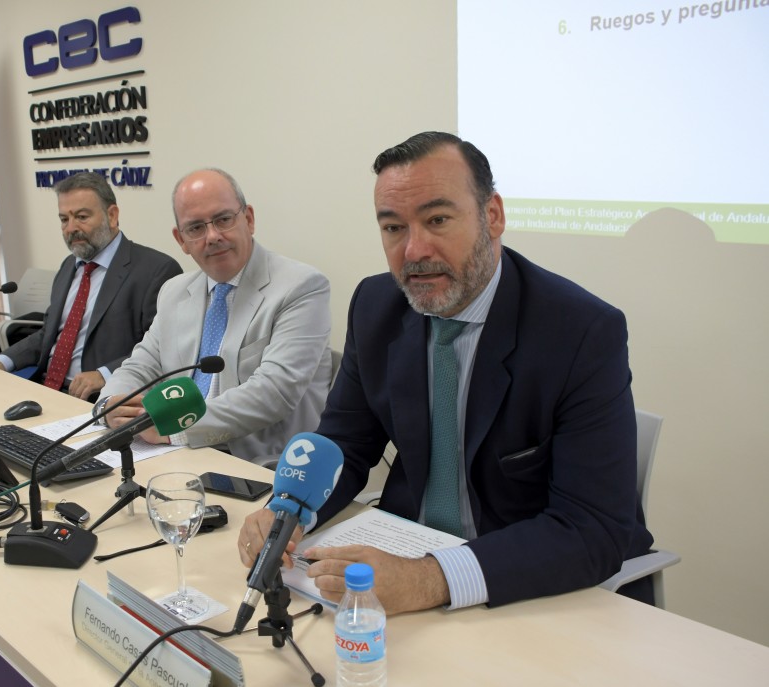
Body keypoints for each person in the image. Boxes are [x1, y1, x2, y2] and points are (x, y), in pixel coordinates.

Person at [238, 131, 655, 612]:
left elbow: (592, 527)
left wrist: (430, 579)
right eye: (393, 227)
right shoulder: (376, 306)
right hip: (406, 551)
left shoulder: (580, 331)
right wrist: (288, 514)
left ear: (492, 216)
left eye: (437, 220)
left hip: (528, 585)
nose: (414, 250)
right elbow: (346, 447)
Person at [97, 168, 332, 460]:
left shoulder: (301, 286)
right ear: (181, 240)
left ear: (249, 219)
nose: (212, 236)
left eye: (223, 219)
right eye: (195, 228)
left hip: (259, 464)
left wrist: (176, 430)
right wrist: (111, 405)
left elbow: (274, 393)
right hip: (175, 453)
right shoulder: (174, 291)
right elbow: (141, 365)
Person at [0, 172, 182, 401]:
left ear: (112, 215)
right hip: (45, 389)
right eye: (64, 219)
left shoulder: (156, 270)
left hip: (101, 398)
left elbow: (163, 348)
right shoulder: (69, 266)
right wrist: (1, 361)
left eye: (81, 217)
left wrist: (105, 374)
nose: (71, 228)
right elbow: (47, 334)